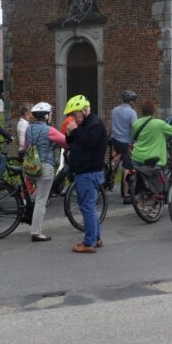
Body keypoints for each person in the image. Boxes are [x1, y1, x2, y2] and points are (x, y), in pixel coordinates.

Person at [64, 94, 108, 253]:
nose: (73, 119)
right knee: (88, 207)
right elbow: (75, 143)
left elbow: (88, 142)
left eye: (74, 115)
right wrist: (69, 134)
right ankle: (96, 238)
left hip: (89, 172)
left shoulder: (95, 124)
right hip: (85, 171)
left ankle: (89, 243)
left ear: (84, 110)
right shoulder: (85, 125)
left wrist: (75, 131)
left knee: (88, 207)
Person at [24, 102, 68, 242]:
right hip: (44, 167)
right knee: (41, 200)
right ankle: (36, 232)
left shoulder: (29, 129)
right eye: (50, 114)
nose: (51, 116)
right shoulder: (49, 130)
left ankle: (27, 212)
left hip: (31, 167)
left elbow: (26, 146)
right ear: (46, 116)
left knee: (36, 195)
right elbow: (66, 142)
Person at [131, 100, 172, 167]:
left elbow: (133, 137)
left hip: (138, 157)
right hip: (154, 159)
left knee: (137, 176)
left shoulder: (136, 123)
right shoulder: (159, 123)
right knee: (154, 177)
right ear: (154, 111)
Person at [110, 90, 138, 203]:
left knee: (115, 160)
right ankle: (127, 195)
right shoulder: (132, 112)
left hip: (115, 140)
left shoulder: (114, 110)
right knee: (128, 167)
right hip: (125, 142)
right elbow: (135, 129)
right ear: (131, 101)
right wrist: (134, 141)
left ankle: (109, 176)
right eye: (133, 101)